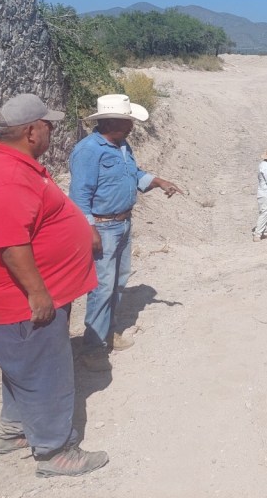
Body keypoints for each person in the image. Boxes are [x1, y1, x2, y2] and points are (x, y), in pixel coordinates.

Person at [0, 93, 108, 478]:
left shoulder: (16, 164)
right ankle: (54, 451)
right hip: (22, 301)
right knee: (47, 372)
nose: (51, 130)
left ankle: (16, 431)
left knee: (25, 368)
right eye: (48, 125)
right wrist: (38, 292)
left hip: (22, 299)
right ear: (32, 131)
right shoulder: (10, 177)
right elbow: (13, 246)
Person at [69, 94, 182, 371]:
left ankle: (109, 333)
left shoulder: (122, 146)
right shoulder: (88, 151)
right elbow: (79, 196)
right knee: (102, 287)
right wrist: (90, 230)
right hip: (102, 227)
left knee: (117, 282)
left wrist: (158, 181)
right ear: (110, 121)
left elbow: (134, 174)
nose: (132, 126)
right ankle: (93, 348)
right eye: (127, 121)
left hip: (123, 225)